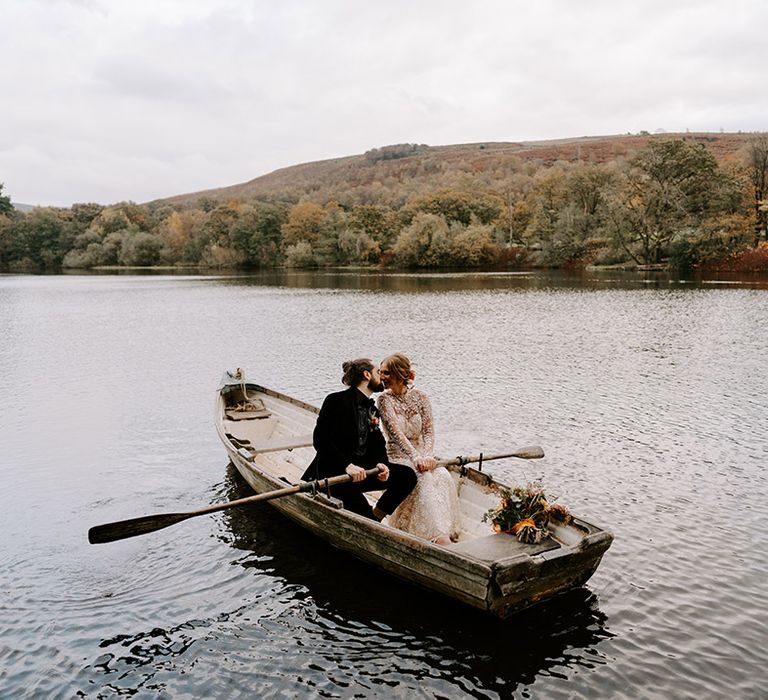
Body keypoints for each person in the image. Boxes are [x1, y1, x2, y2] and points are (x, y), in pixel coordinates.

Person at [302, 358, 417, 521]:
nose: (382, 377)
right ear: (366, 375)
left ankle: (377, 516)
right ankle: (369, 520)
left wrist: (382, 464)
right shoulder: (335, 400)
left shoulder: (372, 409)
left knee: (407, 476)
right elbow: (320, 440)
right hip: (335, 475)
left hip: (363, 472)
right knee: (363, 518)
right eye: (378, 372)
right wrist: (347, 466)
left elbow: (378, 444)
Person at [377, 353, 459, 544]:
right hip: (398, 455)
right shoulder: (383, 400)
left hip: (423, 454)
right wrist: (415, 458)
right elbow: (397, 435)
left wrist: (428, 455)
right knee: (421, 478)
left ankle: (443, 529)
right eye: (380, 372)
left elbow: (429, 431)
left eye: (387, 373)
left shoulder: (421, 397)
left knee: (442, 475)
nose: (382, 377)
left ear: (401, 374)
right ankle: (436, 535)